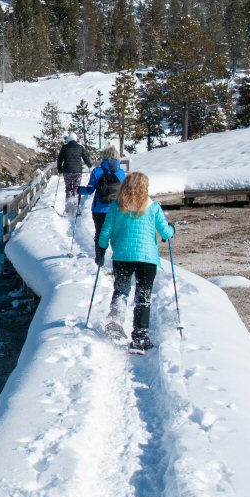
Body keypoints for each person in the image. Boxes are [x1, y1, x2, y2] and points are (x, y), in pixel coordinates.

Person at [97, 171, 175, 351]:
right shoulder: (153, 207)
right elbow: (165, 233)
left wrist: (101, 248)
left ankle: (115, 323)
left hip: (123, 256)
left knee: (121, 291)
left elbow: (105, 232)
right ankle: (140, 336)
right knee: (143, 296)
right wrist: (172, 230)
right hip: (147, 259)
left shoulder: (116, 207)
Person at [78, 146, 125, 267]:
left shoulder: (97, 171)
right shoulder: (121, 172)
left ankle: (100, 258)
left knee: (100, 233)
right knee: (115, 234)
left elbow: (89, 190)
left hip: (99, 209)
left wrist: (79, 190)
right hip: (116, 209)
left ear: (104, 155)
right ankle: (117, 261)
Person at [56, 133, 91, 207]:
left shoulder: (64, 147)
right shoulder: (80, 147)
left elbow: (60, 159)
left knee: (68, 188)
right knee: (76, 188)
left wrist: (59, 169)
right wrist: (89, 164)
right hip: (77, 171)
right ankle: (76, 204)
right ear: (76, 139)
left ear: (69, 139)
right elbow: (85, 158)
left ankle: (68, 205)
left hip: (67, 171)